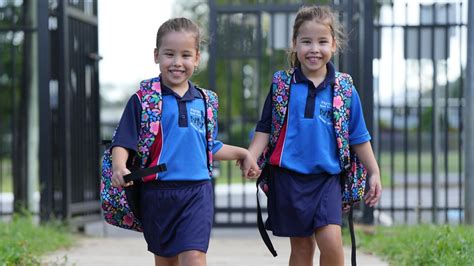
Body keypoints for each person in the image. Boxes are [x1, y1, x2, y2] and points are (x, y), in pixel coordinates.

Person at [110, 17, 260, 266]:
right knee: (166, 261)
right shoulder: (144, 100)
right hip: (158, 193)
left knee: (194, 257)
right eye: (170, 54)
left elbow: (208, 146)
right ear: (156, 55)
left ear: (197, 58)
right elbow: (123, 141)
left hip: (197, 192)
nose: (177, 63)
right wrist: (119, 166)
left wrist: (243, 153)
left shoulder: (205, 101)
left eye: (186, 55)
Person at [246, 5, 382, 266]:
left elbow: (358, 136)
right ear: (294, 44)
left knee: (331, 240)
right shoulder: (282, 85)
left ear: (334, 45)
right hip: (288, 178)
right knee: (302, 247)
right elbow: (265, 127)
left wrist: (374, 171)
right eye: (306, 41)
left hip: (326, 180)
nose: (314, 49)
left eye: (322, 41)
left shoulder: (344, 89)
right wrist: (251, 156)